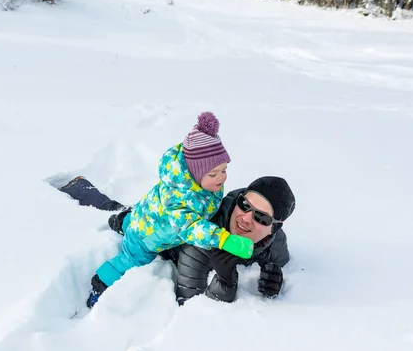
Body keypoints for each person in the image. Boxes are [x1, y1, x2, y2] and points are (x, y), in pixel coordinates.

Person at [82, 112, 255, 308]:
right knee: (131, 259)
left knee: (134, 220)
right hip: (147, 237)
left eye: (224, 170)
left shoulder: (205, 184)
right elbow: (191, 227)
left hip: (148, 216)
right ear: (195, 175)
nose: (221, 178)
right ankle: (100, 283)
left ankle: (121, 221)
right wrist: (223, 239)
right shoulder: (178, 198)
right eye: (214, 174)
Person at [60, 175, 296, 306]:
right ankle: (82, 191)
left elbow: (279, 261)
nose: (245, 218)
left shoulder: (276, 243)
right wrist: (225, 280)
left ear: (276, 227)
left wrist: (275, 281)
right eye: (244, 205)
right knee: (127, 219)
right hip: (163, 234)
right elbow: (189, 298)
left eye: (261, 217)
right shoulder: (204, 234)